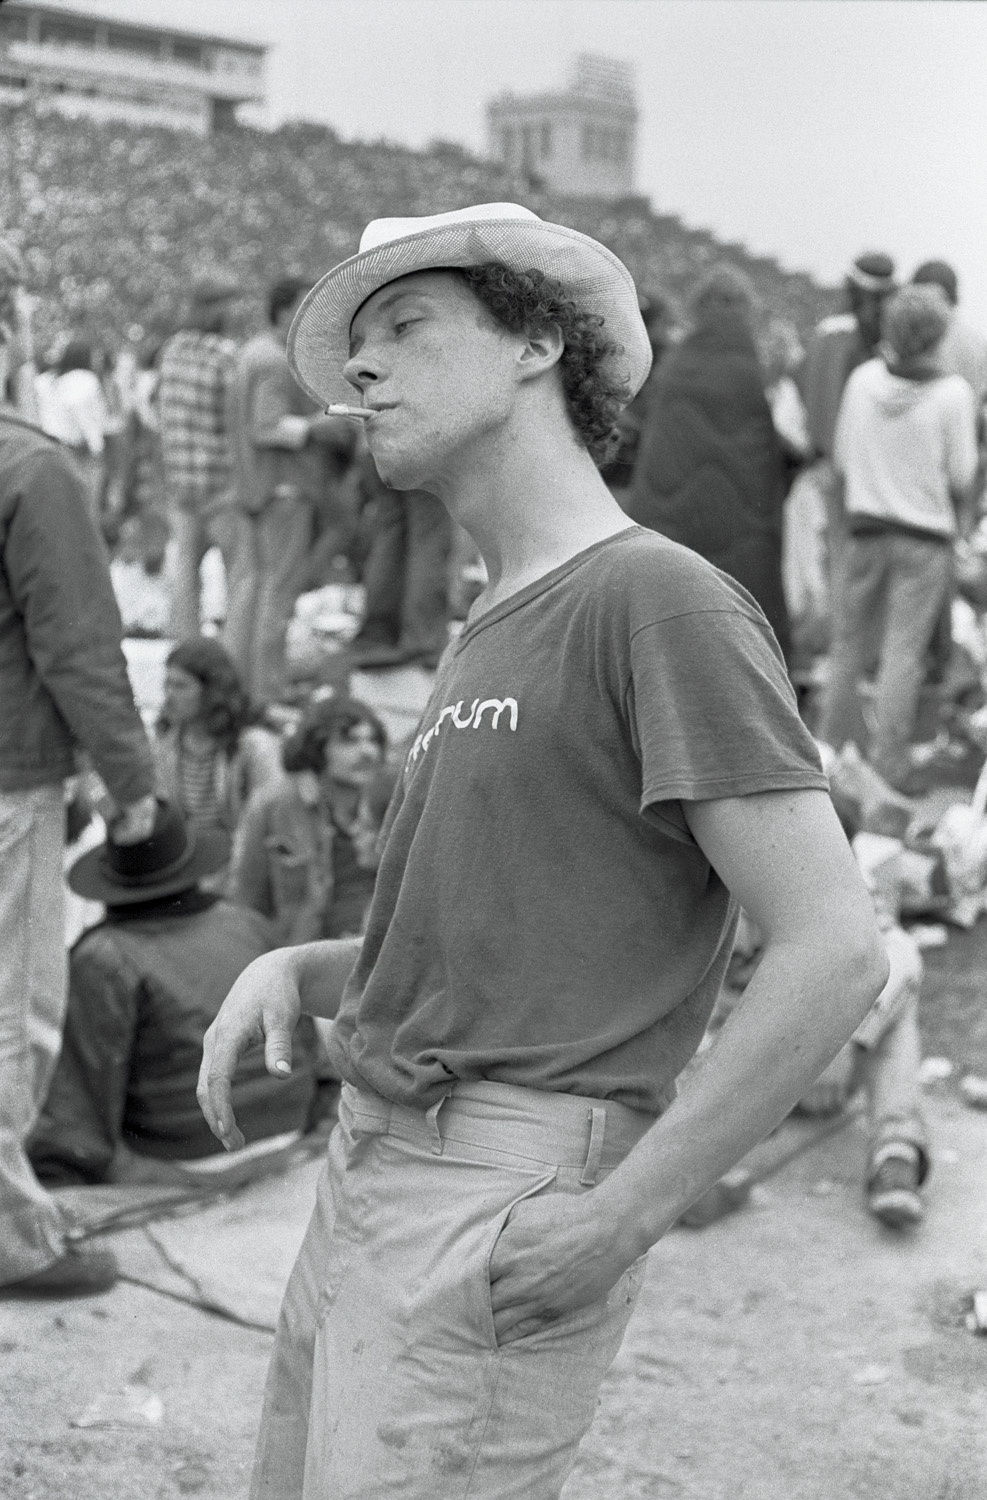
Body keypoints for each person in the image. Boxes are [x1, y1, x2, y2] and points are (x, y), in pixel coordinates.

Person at [197, 202, 889, 1498]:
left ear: (535, 345)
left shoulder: (654, 600)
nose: (361, 367)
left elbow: (834, 947)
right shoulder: (493, 616)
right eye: (360, 344)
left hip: (496, 1186)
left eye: (406, 326)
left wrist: (626, 1213)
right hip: (370, 1163)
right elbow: (522, 932)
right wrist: (302, 969)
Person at [0, 373, 156, 1299]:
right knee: (10, 1015)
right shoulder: (27, 466)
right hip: (7, 776)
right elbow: (77, 646)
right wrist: (132, 781)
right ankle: (12, 1239)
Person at [27, 801, 317, 1188]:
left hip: (187, 1159)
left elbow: (77, 1110)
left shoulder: (103, 958)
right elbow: (308, 1043)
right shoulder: (249, 925)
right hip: (292, 1128)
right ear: (189, 866)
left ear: (112, 881)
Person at [818, 285, 978, 790]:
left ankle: (826, 754)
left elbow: (842, 457)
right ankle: (888, 763)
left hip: (865, 528)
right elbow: (962, 474)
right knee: (901, 654)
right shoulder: (953, 394)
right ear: (937, 335)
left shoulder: (864, 380)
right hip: (923, 538)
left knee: (847, 646)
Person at [623, 263, 792, 662]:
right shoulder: (753, 371)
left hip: (669, 523)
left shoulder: (675, 365)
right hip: (740, 524)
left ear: (697, 307)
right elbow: (774, 448)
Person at [229, 276, 358, 704]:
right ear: (284, 310)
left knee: (251, 592)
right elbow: (266, 426)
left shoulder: (251, 353)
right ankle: (268, 693)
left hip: (255, 490)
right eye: (303, 308)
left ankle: (244, 688)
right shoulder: (274, 361)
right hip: (283, 489)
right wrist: (320, 425)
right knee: (277, 596)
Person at [231, 695, 387, 945]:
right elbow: (247, 901)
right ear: (317, 746)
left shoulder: (387, 803)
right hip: (303, 951)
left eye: (372, 740)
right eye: (349, 741)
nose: (367, 752)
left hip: (373, 947)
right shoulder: (275, 804)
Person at [157, 271, 252, 662]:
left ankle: (185, 659)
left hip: (181, 484)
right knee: (241, 576)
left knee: (185, 573)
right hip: (221, 485)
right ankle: (229, 663)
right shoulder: (226, 355)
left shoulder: (172, 350)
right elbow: (238, 426)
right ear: (218, 308)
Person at [801, 251, 897, 571]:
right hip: (842, 469)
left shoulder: (869, 337)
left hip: (850, 469)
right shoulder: (837, 334)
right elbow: (821, 403)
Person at [154, 637, 283, 843]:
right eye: (167, 684)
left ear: (212, 691)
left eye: (181, 686)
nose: (169, 695)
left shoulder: (255, 745)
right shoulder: (167, 743)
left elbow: (274, 817)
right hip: (189, 856)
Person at [347, 443, 454, 670]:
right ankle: (423, 642)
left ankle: (377, 635)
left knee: (391, 532)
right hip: (420, 447)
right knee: (429, 537)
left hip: (374, 449)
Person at [34, 338, 109, 524]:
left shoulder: (45, 380)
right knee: (83, 506)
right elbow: (82, 412)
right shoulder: (85, 379)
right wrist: (96, 446)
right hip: (73, 450)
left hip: (44, 447)